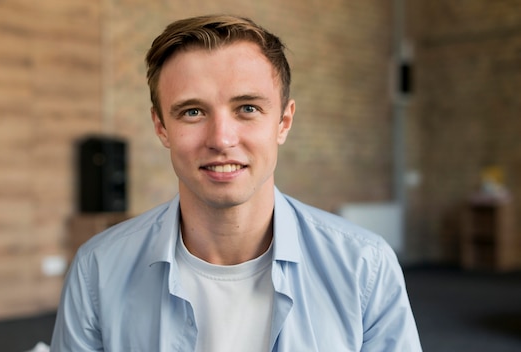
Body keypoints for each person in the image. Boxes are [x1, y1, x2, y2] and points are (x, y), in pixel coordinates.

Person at [51, 14, 422, 351]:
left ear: (284, 122)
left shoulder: (364, 266)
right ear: (161, 126)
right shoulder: (97, 270)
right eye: (193, 112)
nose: (222, 139)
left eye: (248, 108)